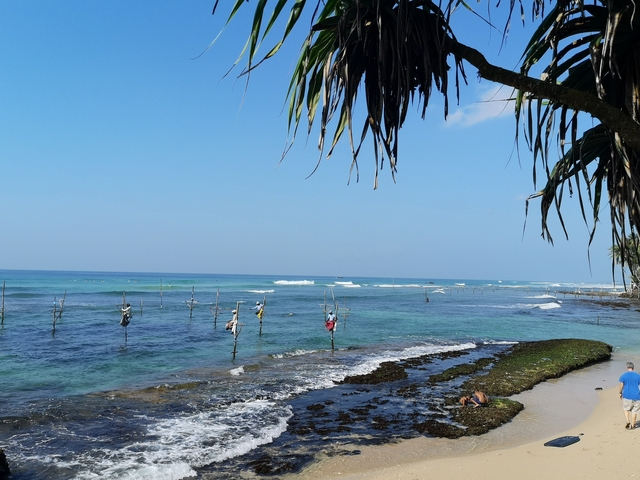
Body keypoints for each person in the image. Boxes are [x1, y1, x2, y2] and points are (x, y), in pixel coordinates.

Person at [619, 362, 640, 429]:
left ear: (627, 367)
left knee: (626, 409)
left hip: (627, 395)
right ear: (633, 368)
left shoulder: (623, 375)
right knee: (635, 411)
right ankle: (633, 425)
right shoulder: (638, 375)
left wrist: (620, 392)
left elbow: (621, 385)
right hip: (637, 396)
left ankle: (628, 421)